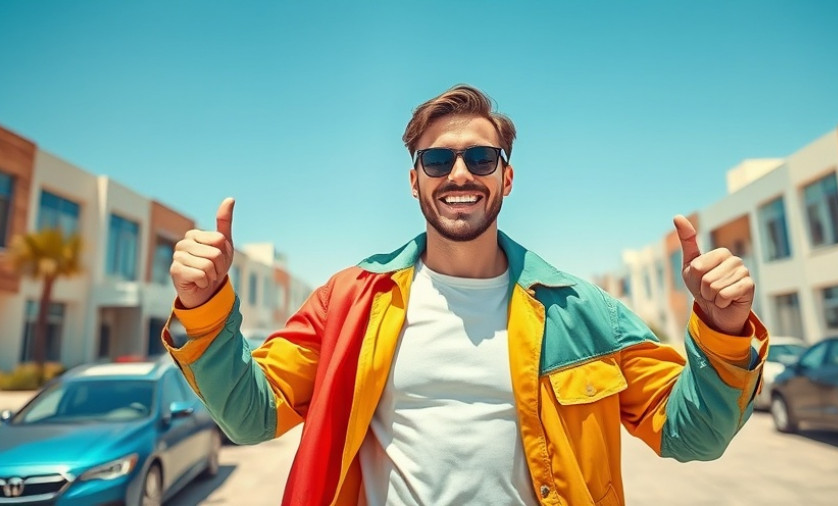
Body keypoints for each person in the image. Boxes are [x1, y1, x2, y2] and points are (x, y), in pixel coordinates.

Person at [163, 85, 768, 506]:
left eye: (481, 157)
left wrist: (723, 331)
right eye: (437, 159)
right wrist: (207, 307)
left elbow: (694, 435)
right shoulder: (350, 301)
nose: (459, 174)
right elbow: (250, 416)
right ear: (414, 181)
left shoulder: (583, 312)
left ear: (506, 177)